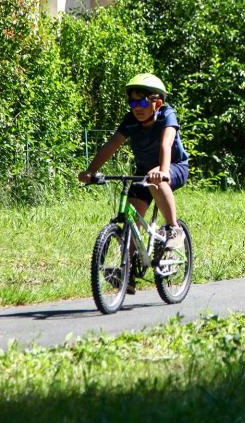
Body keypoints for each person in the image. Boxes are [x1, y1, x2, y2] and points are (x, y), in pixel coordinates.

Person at [78, 74, 189, 279]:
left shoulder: (167, 115)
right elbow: (112, 145)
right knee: (131, 219)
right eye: (132, 102)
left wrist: (163, 172)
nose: (135, 107)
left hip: (173, 166)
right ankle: (126, 272)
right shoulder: (130, 120)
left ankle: (174, 229)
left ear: (157, 102)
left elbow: (166, 144)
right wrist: (91, 170)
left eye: (141, 101)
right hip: (144, 172)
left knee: (155, 183)